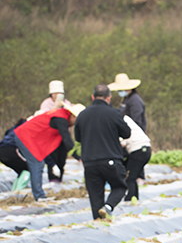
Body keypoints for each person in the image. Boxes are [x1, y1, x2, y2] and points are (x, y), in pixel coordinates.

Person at [74, 84, 131, 219]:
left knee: (95, 197)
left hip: (89, 162)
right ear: (109, 98)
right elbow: (126, 133)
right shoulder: (114, 113)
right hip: (110, 159)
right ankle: (108, 207)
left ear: (93, 97)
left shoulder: (82, 115)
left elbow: (78, 138)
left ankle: (99, 223)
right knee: (119, 187)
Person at [13, 103, 82, 201]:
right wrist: (78, 157)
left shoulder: (62, 115)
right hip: (25, 136)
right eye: (76, 122)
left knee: (39, 163)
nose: (74, 125)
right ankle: (39, 196)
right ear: (74, 116)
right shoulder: (61, 119)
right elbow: (67, 140)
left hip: (31, 137)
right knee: (37, 164)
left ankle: (39, 194)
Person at [37, 80, 72, 183]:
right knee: (53, 159)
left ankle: (59, 180)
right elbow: (44, 117)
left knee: (61, 160)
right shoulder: (46, 104)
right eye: (55, 93)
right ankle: (53, 181)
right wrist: (55, 107)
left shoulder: (66, 103)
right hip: (51, 137)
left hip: (63, 137)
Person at [120, 115, 152, 201]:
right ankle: (134, 198)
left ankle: (130, 199)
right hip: (145, 149)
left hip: (138, 150)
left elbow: (122, 143)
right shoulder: (126, 119)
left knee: (130, 177)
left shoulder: (121, 121)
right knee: (132, 176)